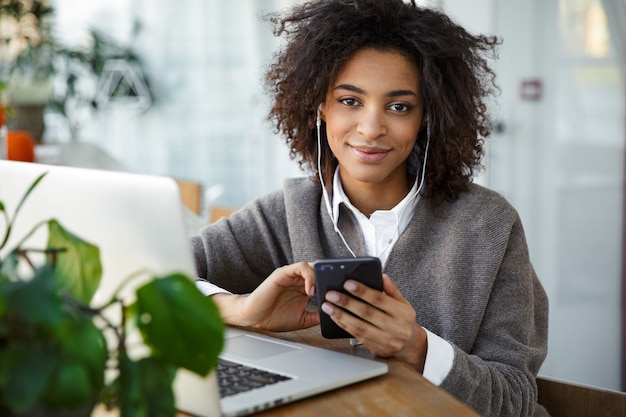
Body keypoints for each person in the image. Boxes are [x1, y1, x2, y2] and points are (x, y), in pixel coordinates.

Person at [192, 1, 549, 416]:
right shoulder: (286, 213)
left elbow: (516, 400)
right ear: (319, 106)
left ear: (427, 118)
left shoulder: (489, 225)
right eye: (350, 101)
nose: (371, 128)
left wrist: (417, 346)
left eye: (399, 106)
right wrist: (241, 310)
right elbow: (148, 275)